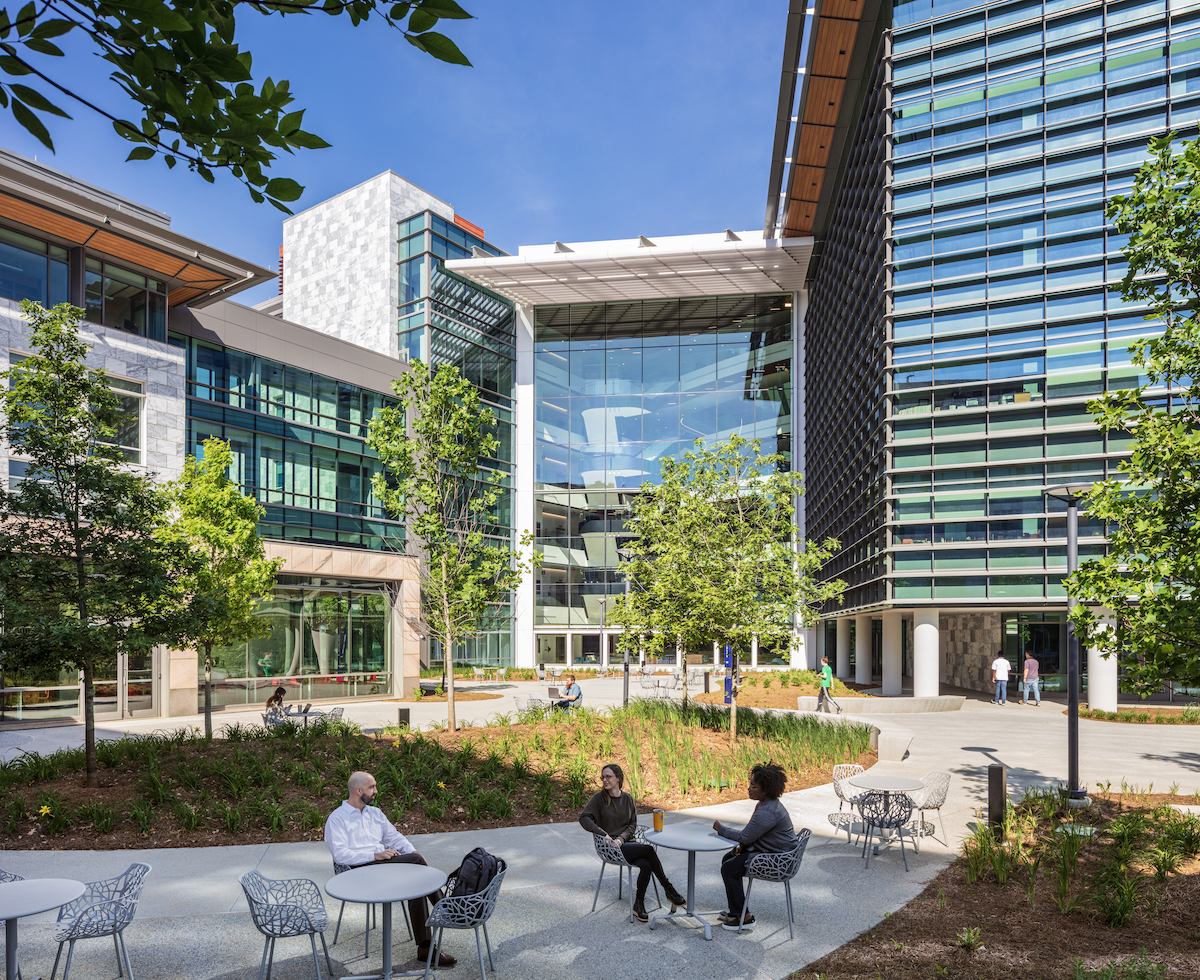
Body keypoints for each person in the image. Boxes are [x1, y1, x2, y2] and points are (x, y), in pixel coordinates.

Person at [324, 771, 457, 968]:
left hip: (381, 868)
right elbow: (340, 855)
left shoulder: (375, 813)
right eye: (372, 787)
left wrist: (413, 851)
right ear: (358, 790)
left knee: (416, 877)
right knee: (416, 864)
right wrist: (374, 855)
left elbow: (394, 838)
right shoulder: (337, 818)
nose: (376, 791)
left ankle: (426, 947)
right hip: (355, 872)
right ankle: (448, 908)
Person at [578, 763, 686, 923]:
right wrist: (603, 834)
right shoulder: (598, 799)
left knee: (647, 864)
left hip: (628, 845)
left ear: (618, 778)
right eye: (603, 777)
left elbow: (632, 825)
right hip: (611, 848)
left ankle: (638, 904)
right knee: (649, 850)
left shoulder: (627, 798)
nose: (604, 780)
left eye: (608, 776)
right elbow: (584, 818)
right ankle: (668, 889)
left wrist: (621, 839)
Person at [713, 762, 799, 931]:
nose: (749, 789)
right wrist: (742, 848)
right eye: (750, 784)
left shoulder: (768, 811)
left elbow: (744, 836)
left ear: (766, 790)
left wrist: (721, 829)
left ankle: (744, 917)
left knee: (729, 868)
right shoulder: (765, 804)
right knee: (728, 860)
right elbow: (752, 836)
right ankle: (738, 911)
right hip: (774, 852)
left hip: (780, 861)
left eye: (753, 786)